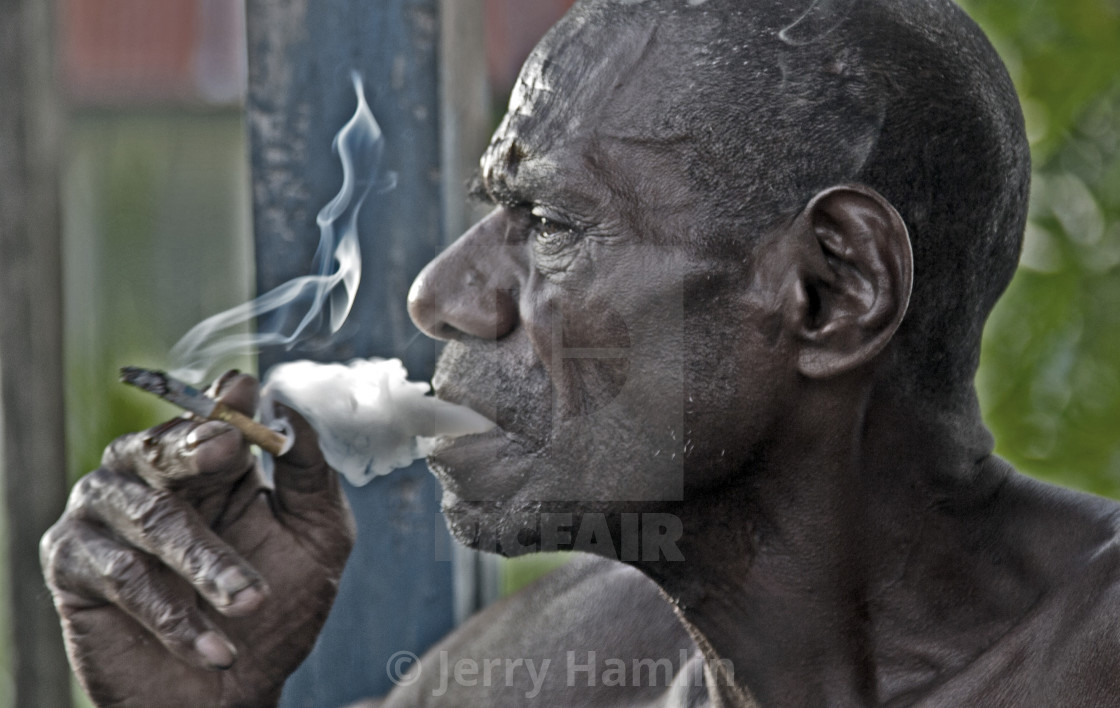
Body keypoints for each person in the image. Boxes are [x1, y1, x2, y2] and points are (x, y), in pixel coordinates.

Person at [40, 0, 1120, 705]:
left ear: (831, 288)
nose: (441, 296)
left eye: (548, 224)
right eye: (488, 210)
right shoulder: (536, 678)